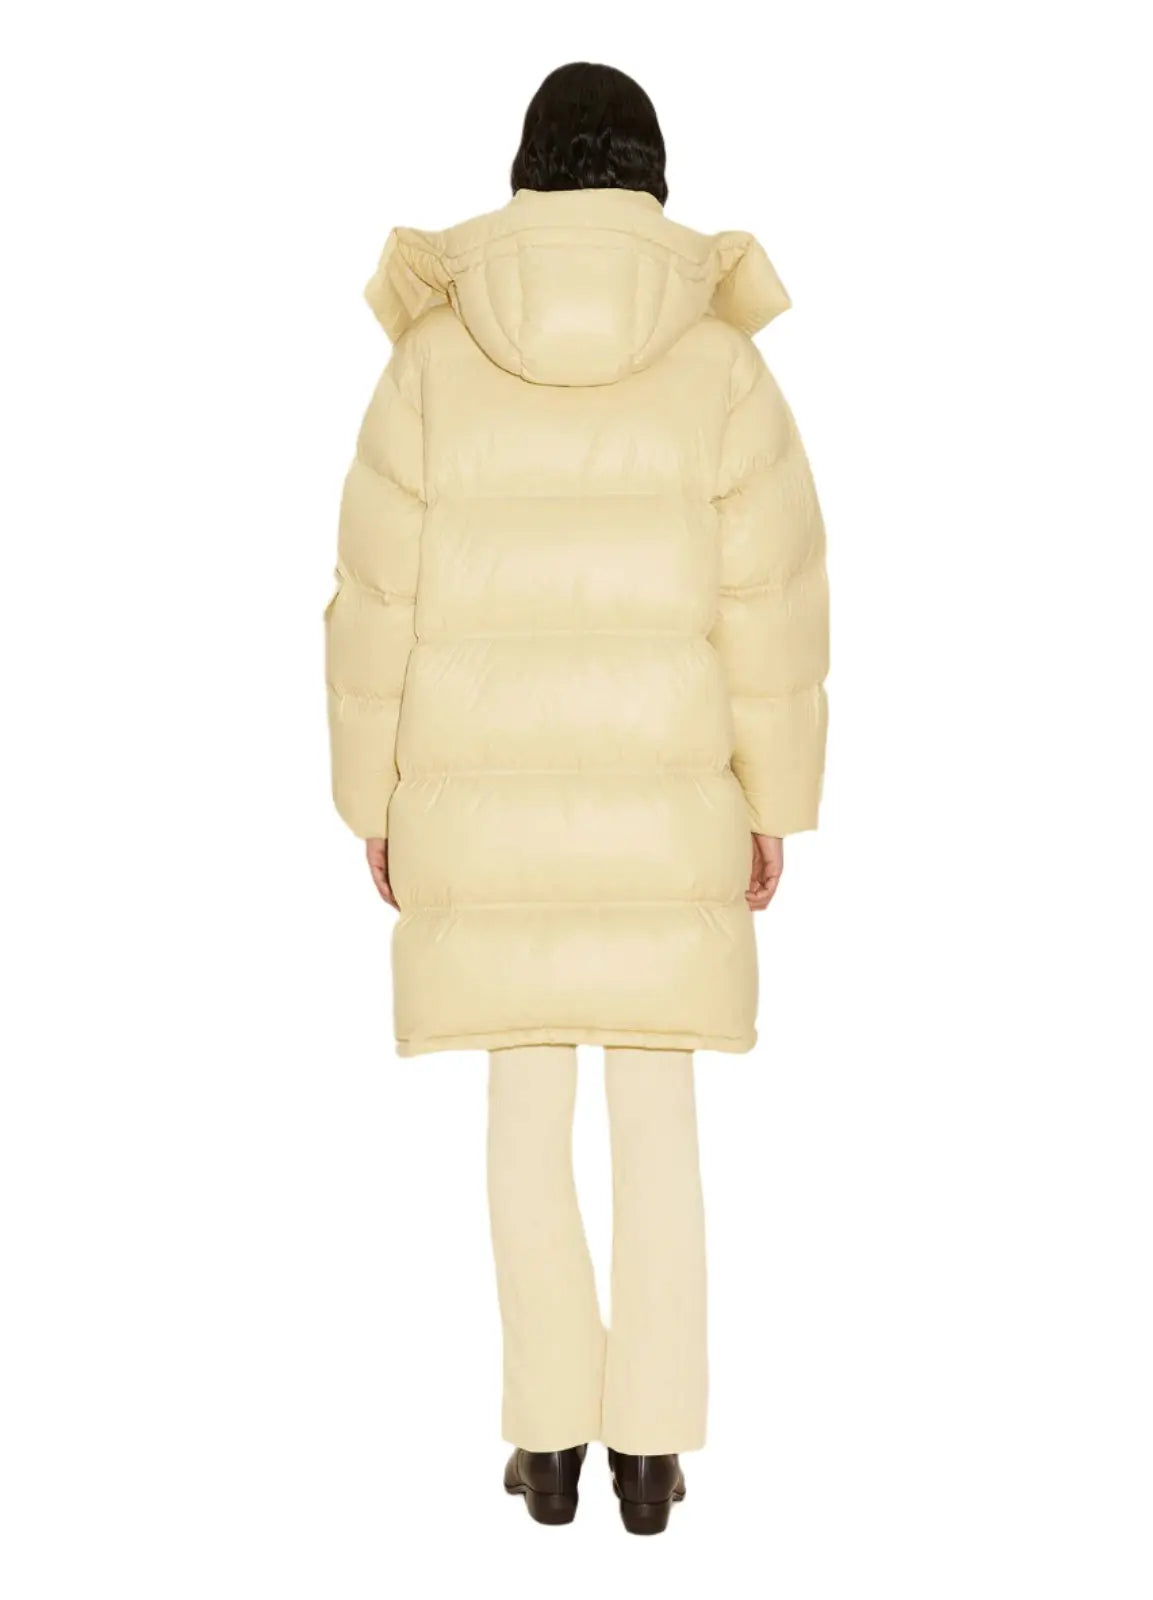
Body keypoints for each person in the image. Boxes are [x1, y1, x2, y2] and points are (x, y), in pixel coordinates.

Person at [325, 61, 828, 1535]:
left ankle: (549, 1440)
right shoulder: (720, 364)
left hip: (481, 805)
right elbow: (774, 604)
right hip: (668, 804)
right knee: (657, 1117)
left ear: (526, 173)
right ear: (652, 178)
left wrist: (373, 800)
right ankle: (651, 1454)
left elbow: (370, 605)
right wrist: (774, 802)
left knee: (524, 1111)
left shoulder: (432, 359)